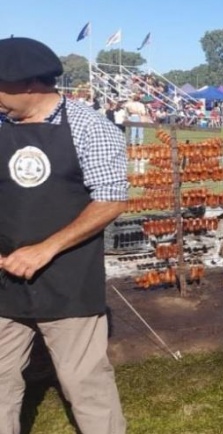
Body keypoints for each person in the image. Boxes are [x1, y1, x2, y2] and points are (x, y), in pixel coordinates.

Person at [0, 37, 128, 433]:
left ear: (27, 84)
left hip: (68, 278)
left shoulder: (90, 127)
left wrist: (44, 249)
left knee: (83, 382)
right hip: (5, 277)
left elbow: (111, 200)